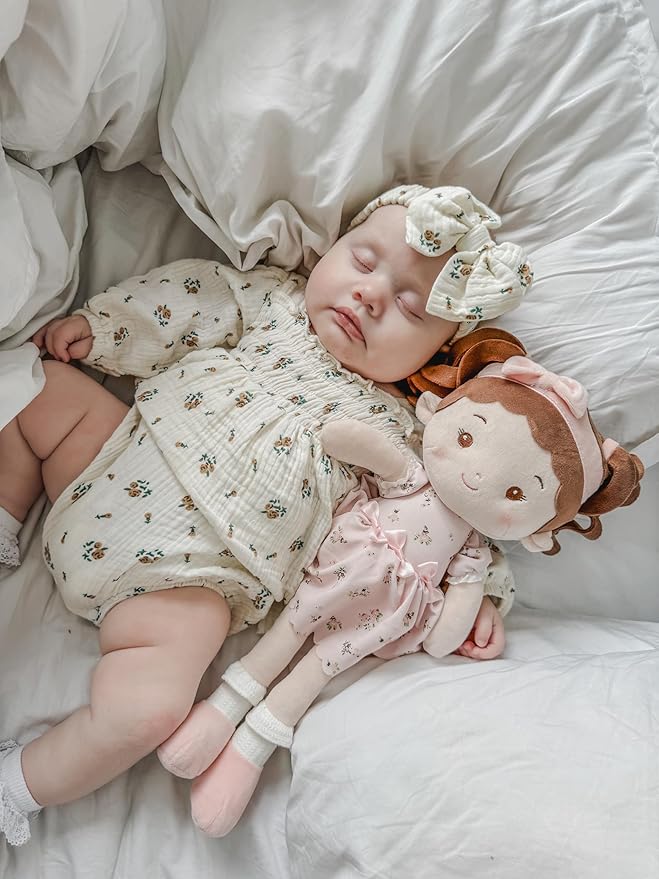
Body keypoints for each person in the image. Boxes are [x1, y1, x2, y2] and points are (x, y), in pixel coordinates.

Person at [0, 185, 531, 844]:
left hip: (185, 583)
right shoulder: (272, 302)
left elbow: (453, 510)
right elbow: (186, 302)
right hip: (108, 458)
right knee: (34, 386)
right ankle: (7, 511)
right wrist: (105, 329)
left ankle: (19, 785)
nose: (370, 295)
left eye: (410, 307)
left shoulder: (408, 430)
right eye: (363, 260)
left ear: (439, 352)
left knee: (150, 709)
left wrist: (482, 594)